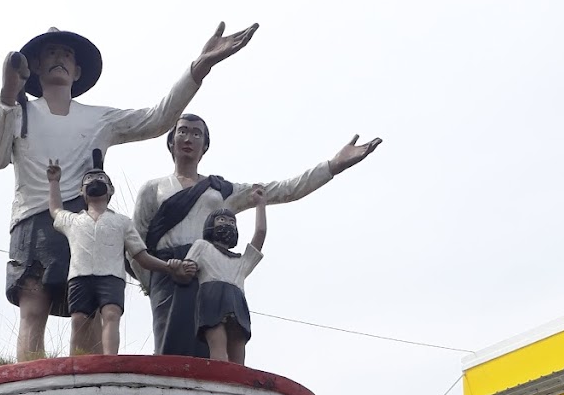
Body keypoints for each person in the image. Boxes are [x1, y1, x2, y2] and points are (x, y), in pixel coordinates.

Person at [0, 23, 258, 361]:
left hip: (87, 221)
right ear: (36, 65)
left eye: (67, 54)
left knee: (89, 309)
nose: (59, 59)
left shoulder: (99, 120)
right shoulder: (18, 112)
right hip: (33, 218)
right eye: (51, 53)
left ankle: (89, 376)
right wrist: (7, 95)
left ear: (77, 70)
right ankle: (30, 377)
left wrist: (200, 66)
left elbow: (159, 118)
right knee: (33, 306)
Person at [133, 114, 381, 357]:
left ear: (205, 146)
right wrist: (154, 281)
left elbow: (282, 190)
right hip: (168, 274)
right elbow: (135, 244)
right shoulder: (153, 188)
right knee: (170, 350)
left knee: (211, 345)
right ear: (171, 141)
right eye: (183, 131)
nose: (188, 138)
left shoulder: (220, 190)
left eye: (197, 134)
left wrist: (333, 165)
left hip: (208, 273)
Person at [48, 156, 195, 356]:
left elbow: (141, 256)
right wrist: (54, 182)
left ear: (111, 189)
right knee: (79, 319)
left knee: (111, 314)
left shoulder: (122, 222)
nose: (95, 181)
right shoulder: (73, 221)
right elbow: (56, 210)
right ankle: (76, 361)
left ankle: (110, 357)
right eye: (89, 180)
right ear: (81, 191)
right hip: (79, 276)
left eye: (101, 178)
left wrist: (168, 267)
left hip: (111, 276)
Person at [185, 189, 266, 364]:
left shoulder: (242, 262)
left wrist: (260, 205)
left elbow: (260, 233)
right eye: (221, 220)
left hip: (237, 299)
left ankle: (237, 380)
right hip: (212, 296)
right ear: (211, 225)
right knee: (218, 349)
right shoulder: (202, 247)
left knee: (238, 357)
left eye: (232, 222)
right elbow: (187, 269)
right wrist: (184, 268)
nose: (227, 224)